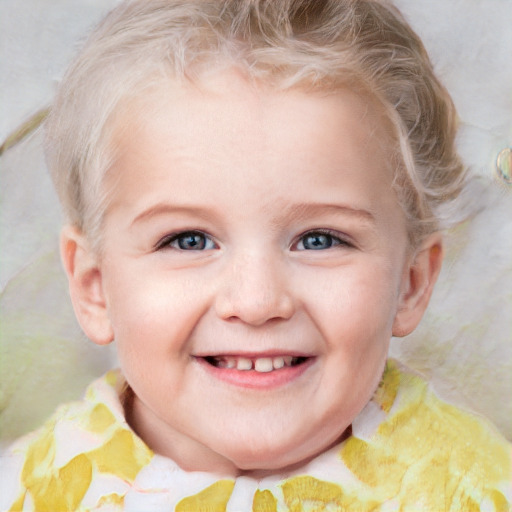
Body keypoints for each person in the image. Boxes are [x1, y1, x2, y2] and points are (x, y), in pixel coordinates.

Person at [1, 0, 510, 510]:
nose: (257, 300)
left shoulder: (474, 491)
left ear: (412, 282)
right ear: (94, 286)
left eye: (319, 239)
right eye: (188, 240)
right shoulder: (29, 490)